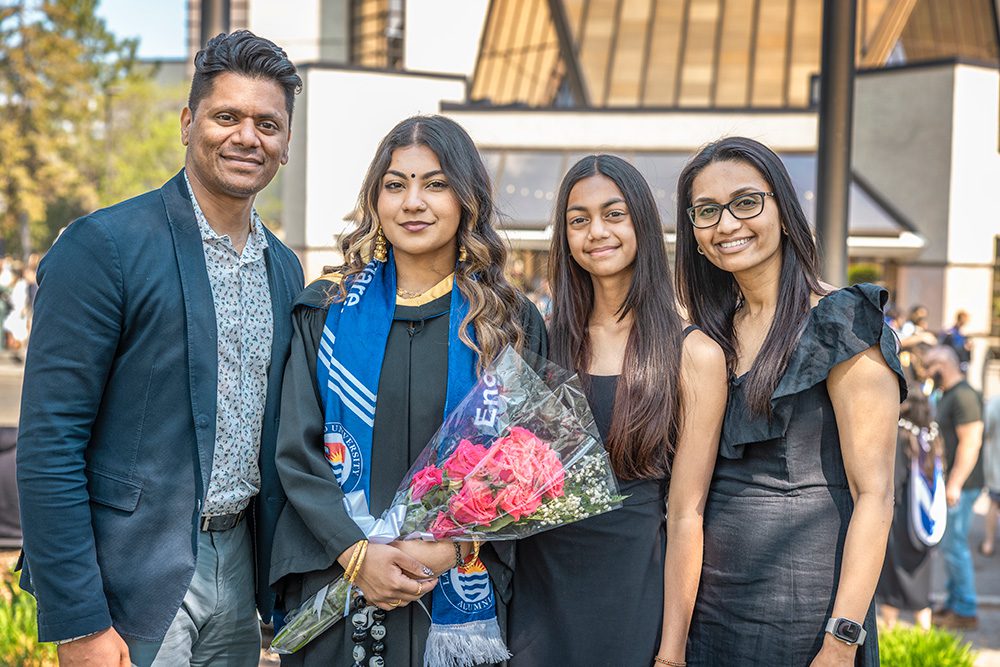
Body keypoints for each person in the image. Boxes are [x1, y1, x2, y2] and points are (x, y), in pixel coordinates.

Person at [15, 31, 304, 666]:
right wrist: (81, 620)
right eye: (226, 116)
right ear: (187, 122)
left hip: (241, 565)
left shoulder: (285, 270)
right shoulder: (104, 246)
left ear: (285, 145)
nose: (247, 136)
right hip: (131, 577)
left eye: (268, 124)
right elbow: (49, 442)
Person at [269, 115, 547, 666]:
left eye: (435, 184)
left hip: (457, 588)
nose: (413, 202)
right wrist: (355, 555)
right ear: (375, 200)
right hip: (339, 584)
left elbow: (528, 462)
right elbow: (295, 451)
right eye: (395, 185)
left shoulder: (506, 322)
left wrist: (452, 548)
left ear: (468, 198)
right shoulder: (326, 311)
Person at [673, 136, 905, 666]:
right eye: (707, 211)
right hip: (710, 613)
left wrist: (841, 640)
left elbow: (876, 496)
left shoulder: (842, 321)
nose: (727, 224)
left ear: (781, 208)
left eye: (746, 202)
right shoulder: (710, 338)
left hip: (806, 616)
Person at [506, 155, 726, 667]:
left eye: (613, 214)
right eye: (578, 219)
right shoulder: (537, 339)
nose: (595, 232)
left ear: (642, 224)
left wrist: (672, 648)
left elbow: (687, 513)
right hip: (535, 594)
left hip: (632, 595)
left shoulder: (694, 354)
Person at [876, 347, 939, 630]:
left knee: (893, 578)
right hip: (924, 520)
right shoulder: (932, 439)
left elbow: (895, 482)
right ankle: (925, 634)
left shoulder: (903, 438)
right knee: (920, 582)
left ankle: (889, 632)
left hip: (901, 521)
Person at [925, 345, 984, 630]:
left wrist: (955, 483)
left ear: (941, 365)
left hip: (963, 485)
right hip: (951, 484)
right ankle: (953, 603)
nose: (925, 373)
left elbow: (972, 442)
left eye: (928, 367)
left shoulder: (964, 396)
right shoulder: (949, 393)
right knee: (950, 547)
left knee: (955, 546)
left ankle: (966, 609)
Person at [981, 393, 1000, 556]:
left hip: (997, 464)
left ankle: (989, 542)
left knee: (994, 503)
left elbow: (986, 430)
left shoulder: (995, 402)